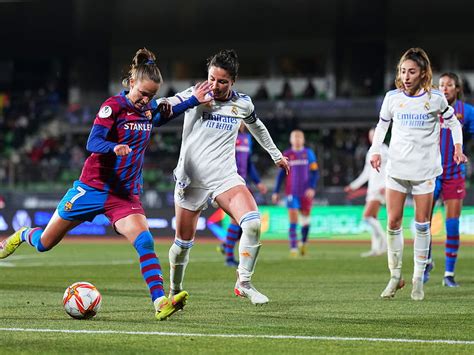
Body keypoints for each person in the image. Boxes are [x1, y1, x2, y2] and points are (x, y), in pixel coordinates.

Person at [0, 48, 212, 320]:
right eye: (142, 93)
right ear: (131, 82)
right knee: (44, 243)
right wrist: (114, 148)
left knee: (145, 241)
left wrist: (193, 99)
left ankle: (160, 302)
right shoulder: (113, 107)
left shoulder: (147, 109)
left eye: (151, 96)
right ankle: (21, 234)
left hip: (123, 195)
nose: (146, 100)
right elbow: (92, 142)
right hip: (91, 188)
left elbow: (162, 115)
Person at [161, 49, 289, 306]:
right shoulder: (195, 94)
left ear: (233, 82)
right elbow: (166, 107)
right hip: (191, 180)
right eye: (212, 78)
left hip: (224, 178)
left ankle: (244, 283)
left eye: (222, 81)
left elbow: (256, 126)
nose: (215, 86)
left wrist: (275, 155)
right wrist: (164, 104)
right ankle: (175, 290)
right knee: (183, 244)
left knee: (252, 224)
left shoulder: (242, 103)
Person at [369, 48, 466, 301]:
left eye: (412, 71)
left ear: (423, 73)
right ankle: (395, 276)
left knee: (422, 225)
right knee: (392, 222)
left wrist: (457, 147)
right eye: (403, 71)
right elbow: (382, 125)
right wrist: (375, 150)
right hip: (397, 169)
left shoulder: (435, 98)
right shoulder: (392, 98)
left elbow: (454, 122)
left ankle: (417, 280)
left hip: (424, 171)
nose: (406, 76)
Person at [424, 72, 474, 286]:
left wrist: (461, 151)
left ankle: (448, 275)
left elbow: (470, 136)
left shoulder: (467, 112)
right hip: (429, 173)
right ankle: (425, 263)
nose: (444, 88)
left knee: (452, 224)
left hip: (454, 174)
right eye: (441, 85)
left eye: (449, 85)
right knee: (423, 223)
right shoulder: (430, 107)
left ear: (457, 89)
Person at [220, 122, 268, 267]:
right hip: (228, 180)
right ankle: (228, 256)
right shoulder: (228, 135)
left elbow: (248, 163)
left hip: (242, 182)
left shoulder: (247, 138)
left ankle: (227, 247)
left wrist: (258, 182)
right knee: (236, 219)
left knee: (241, 220)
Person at [272, 130, 319, 257]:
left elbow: (315, 172)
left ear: (303, 140)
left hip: (306, 192)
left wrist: (312, 188)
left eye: (299, 137)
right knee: (293, 220)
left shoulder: (308, 153)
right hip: (292, 192)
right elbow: (281, 175)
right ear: (291, 140)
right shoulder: (287, 154)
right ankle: (293, 248)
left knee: (305, 220)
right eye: (295, 137)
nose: (297, 139)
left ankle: (303, 243)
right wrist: (276, 191)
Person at [345, 128, 388, 257]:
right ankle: (375, 248)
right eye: (370, 135)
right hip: (372, 188)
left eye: (374, 135)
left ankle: (385, 242)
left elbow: (391, 168)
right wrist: (353, 186)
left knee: (367, 216)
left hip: (379, 189)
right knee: (372, 218)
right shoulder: (371, 151)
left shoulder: (384, 150)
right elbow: (367, 172)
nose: (372, 137)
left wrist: (385, 185)